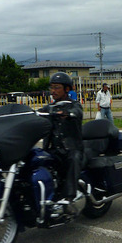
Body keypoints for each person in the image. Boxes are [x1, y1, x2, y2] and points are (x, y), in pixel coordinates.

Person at [40, 73, 83, 203]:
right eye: (52, 87)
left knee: (73, 159)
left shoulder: (73, 105)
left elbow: (78, 112)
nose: (53, 91)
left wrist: (68, 114)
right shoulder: (49, 107)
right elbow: (37, 114)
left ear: (67, 89)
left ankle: (69, 196)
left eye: (57, 87)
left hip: (71, 149)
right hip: (53, 150)